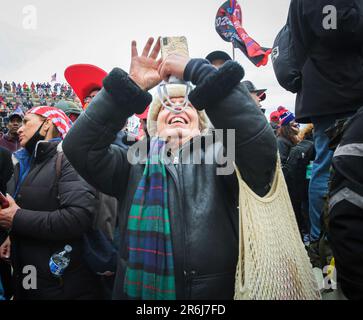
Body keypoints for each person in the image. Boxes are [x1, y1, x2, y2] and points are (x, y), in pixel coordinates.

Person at [62, 37, 277, 300]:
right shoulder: (132, 162)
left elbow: (260, 147)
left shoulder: (223, 155)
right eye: (166, 106)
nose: (176, 107)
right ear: (154, 125)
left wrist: (197, 70)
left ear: (200, 122)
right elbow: (78, 147)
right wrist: (130, 88)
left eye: (187, 104)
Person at [0, 106, 101, 300]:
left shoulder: (68, 160)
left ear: (47, 125)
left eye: (27, 121)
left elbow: (77, 218)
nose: (20, 128)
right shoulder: (23, 163)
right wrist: (10, 236)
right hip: (28, 278)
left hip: (60, 286)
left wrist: (16, 219)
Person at [288, 0, 363, 246]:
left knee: (330, 166)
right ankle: (324, 243)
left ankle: (324, 240)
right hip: (339, 93)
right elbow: (334, 25)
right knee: (331, 168)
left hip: (334, 91)